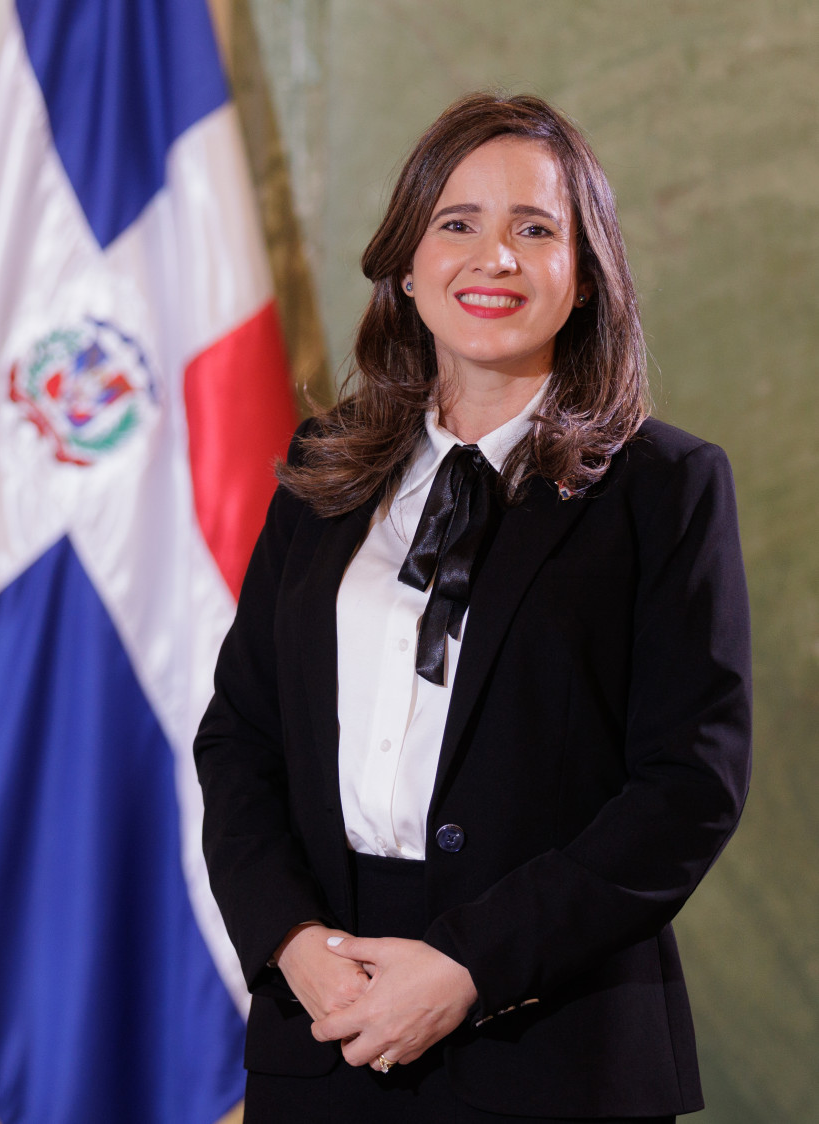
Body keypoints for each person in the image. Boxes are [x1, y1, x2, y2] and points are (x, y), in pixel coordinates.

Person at [193, 92, 751, 1123]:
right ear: (407, 266)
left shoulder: (665, 489)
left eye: (535, 230)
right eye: (457, 222)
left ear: (584, 277)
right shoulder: (323, 469)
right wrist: (292, 942)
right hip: (325, 1028)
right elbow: (240, 738)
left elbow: (689, 788)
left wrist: (468, 966)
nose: (493, 257)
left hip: (556, 1043)